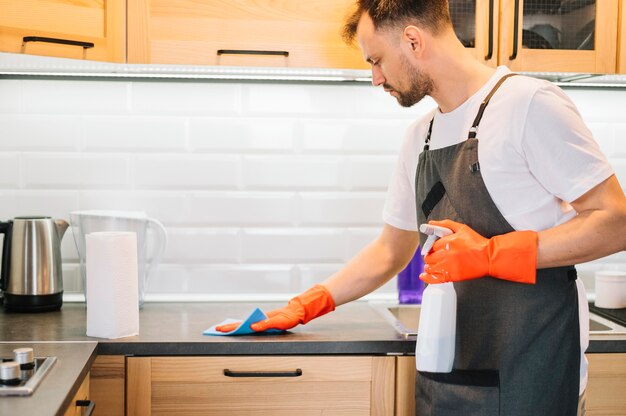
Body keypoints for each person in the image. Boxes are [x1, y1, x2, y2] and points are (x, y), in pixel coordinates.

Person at [218, 1, 626, 414]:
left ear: (413, 40)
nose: (375, 78)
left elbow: (614, 221)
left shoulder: (528, 103)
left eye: (376, 60)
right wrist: (303, 307)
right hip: (448, 375)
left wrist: (490, 255)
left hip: (532, 373)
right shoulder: (421, 136)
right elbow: (390, 251)